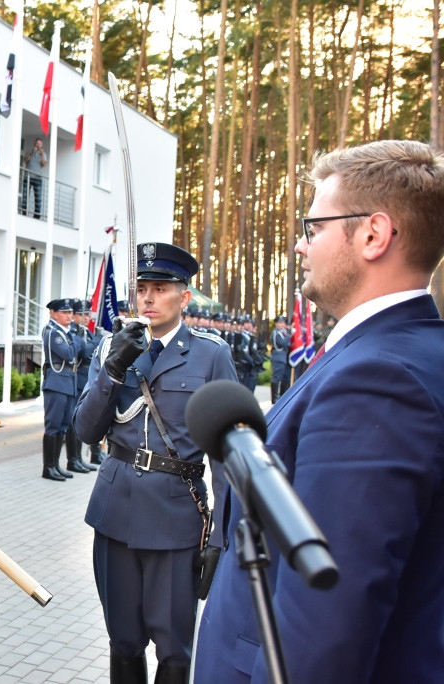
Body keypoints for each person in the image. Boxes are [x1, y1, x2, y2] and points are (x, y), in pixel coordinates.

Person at [194, 140, 444, 683]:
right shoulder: (410, 351)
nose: (300, 248)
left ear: (373, 235)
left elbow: (328, 629)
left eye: (313, 229)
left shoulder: (377, 381)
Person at [73, 242, 237, 684]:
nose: (146, 298)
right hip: (115, 512)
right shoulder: (114, 346)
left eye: (159, 288)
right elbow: (86, 432)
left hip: (176, 518)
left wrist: (220, 535)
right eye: (140, 288)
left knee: (174, 647)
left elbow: (226, 456)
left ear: (184, 297)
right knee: (122, 642)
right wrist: (112, 370)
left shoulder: (210, 354)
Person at [40, 297, 81, 481]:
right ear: (53, 313)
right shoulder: (52, 333)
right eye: (64, 312)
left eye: (70, 312)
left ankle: (55, 465)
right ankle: (48, 467)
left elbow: (74, 350)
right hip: (56, 382)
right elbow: (69, 353)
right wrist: (77, 343)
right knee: (53, 426)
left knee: (63, 426)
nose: (69, 316)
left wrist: (75, 343)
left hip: (67, 381)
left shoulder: (66, 332)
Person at [67, 299, 98, 472]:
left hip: (87, 377)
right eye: (83, 315)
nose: (86, 318)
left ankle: (78, 458)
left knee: (83, 418)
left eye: (88, 314)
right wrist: (97, 342)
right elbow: (85, 352)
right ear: (76, 315)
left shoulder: (86, 332)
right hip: (78, 378)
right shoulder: (74, 332)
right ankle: (73, 459)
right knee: (75, 420)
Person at [22, 137, 48, 218]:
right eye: (37, 144)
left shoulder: (43, 154)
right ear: (34, 144)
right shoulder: (29, 151)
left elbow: (44, 164)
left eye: (40, 144)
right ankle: (24, 213)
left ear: (42, 145)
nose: (38, 146)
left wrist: (41, 155)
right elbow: (25, 161)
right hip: (28, 177)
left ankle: (36, 216)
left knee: (38, 199)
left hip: (38, 178)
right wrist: (32, 153)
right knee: (25, 196)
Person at [268, 314, 290, 403]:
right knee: (276, 377)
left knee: (284, 378)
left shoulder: (283, 333)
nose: (281, 325)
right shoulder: (276, 333)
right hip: (278, 358)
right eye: (279, 323)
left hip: (283, 358)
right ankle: (274, 398)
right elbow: (283, 343)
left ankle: (281, 397)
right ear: (276, 324)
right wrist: (289, 336)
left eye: (283, 323)